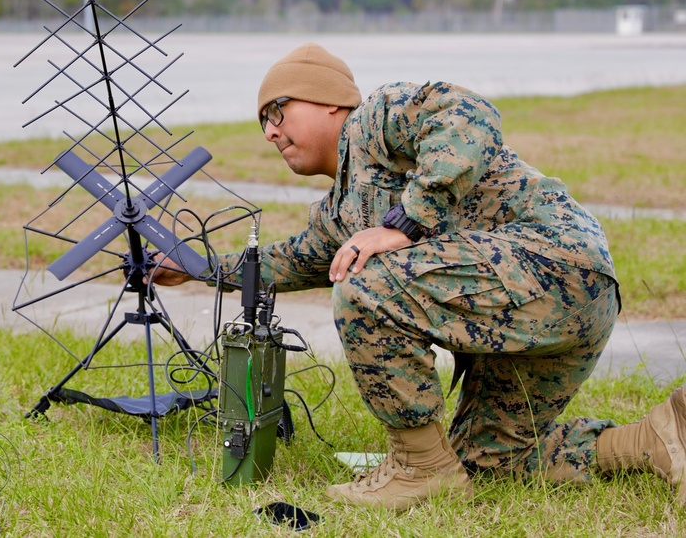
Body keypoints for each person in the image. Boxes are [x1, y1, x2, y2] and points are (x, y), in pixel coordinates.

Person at [150, 42, 686, 510]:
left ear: (330, 100)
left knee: (364, 285)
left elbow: (469, 114)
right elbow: (289, 260)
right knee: (488, 463)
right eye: (262, 121)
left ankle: (418, 469)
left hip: (553, 263)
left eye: (277, 110)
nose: (270, 131)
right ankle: (659, 438)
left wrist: (406, 223)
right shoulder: (340, 213)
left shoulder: (376, 120)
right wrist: (199, 269)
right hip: (553, 309)